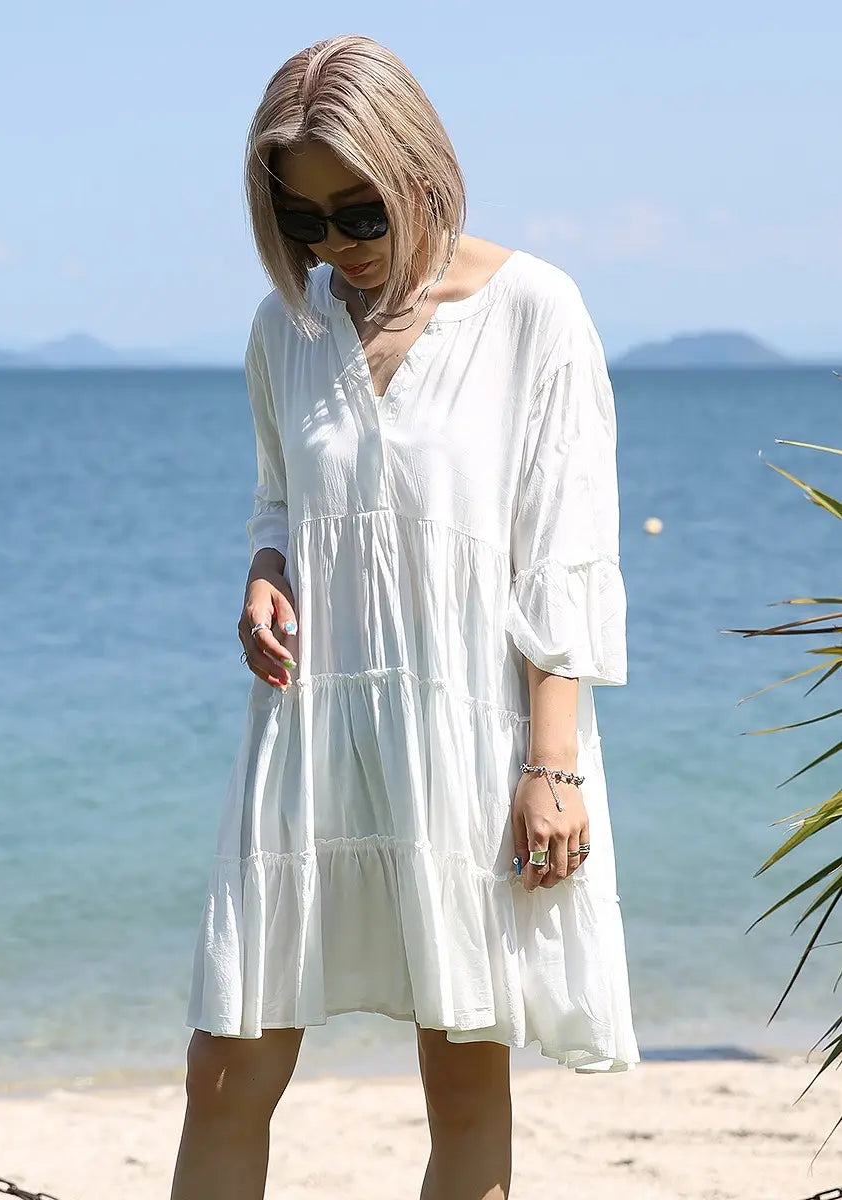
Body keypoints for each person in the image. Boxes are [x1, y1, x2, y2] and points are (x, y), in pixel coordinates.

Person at [171, 33, 639, 1200]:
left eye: (359, 213)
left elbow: (565, 553)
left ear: (420, 170)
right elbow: (279, 498)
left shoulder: (534, 310)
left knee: (465, 1078)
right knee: (223, 1066)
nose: (334, 246)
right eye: (302, 221)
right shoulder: (288, 326)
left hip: (469, 735)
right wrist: (267, 568)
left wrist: (553, 767)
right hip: (308, 732)